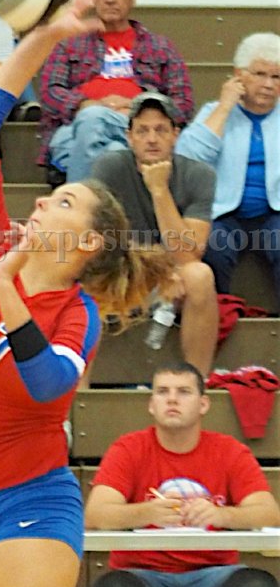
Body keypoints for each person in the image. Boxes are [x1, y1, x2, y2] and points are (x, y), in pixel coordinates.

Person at [0, 0, 177, 587]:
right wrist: (47, 36)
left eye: (65, 200)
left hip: (34, 504)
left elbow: (48, 384)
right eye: (53, 195)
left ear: (89, 241)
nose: (44, 200)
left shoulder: (79, 313)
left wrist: (6, 290)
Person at [85, 361, 280, 587]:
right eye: (162, 391)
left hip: (216, 572)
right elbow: (95, 515)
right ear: (151, 405)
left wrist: (222, 515)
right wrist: (146, 512)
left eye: (184, 392)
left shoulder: (230, 451)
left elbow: (269, 514)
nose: (172, 400)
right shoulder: (128, 449)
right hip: (140, 573)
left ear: (203, 404)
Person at [92, 92, 218, 376]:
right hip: (123, 271)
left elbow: (188, 254)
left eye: (161, 130)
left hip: (173, 276)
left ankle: (196, 382)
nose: (151, 139)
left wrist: (159, 190)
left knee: (200, 275)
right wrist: (156, 269)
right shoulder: (109, 168)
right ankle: (78, 392)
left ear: (175, 135)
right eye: (142, 131)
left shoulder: (199, 175)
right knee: (80, 273)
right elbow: (100, 244)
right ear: (129, 137)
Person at [38, 0, 194, 183]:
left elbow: (183, 103)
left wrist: (138, 109)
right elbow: (50, 93)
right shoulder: (68, 42)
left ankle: (79, 200)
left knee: (103, 136)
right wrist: (86, 105)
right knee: (109, 146)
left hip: (138, 130)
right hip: (73, 131)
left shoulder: (160, 46)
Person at [176, 32, 280, 312]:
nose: (268, 84)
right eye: (260, 74)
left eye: (276, 77)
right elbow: (189, 158)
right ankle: (218, 314)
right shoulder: (215, 111)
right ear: (239, 75)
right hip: (223, 213)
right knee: (213, 246)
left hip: (274, 214)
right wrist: (225, 108)